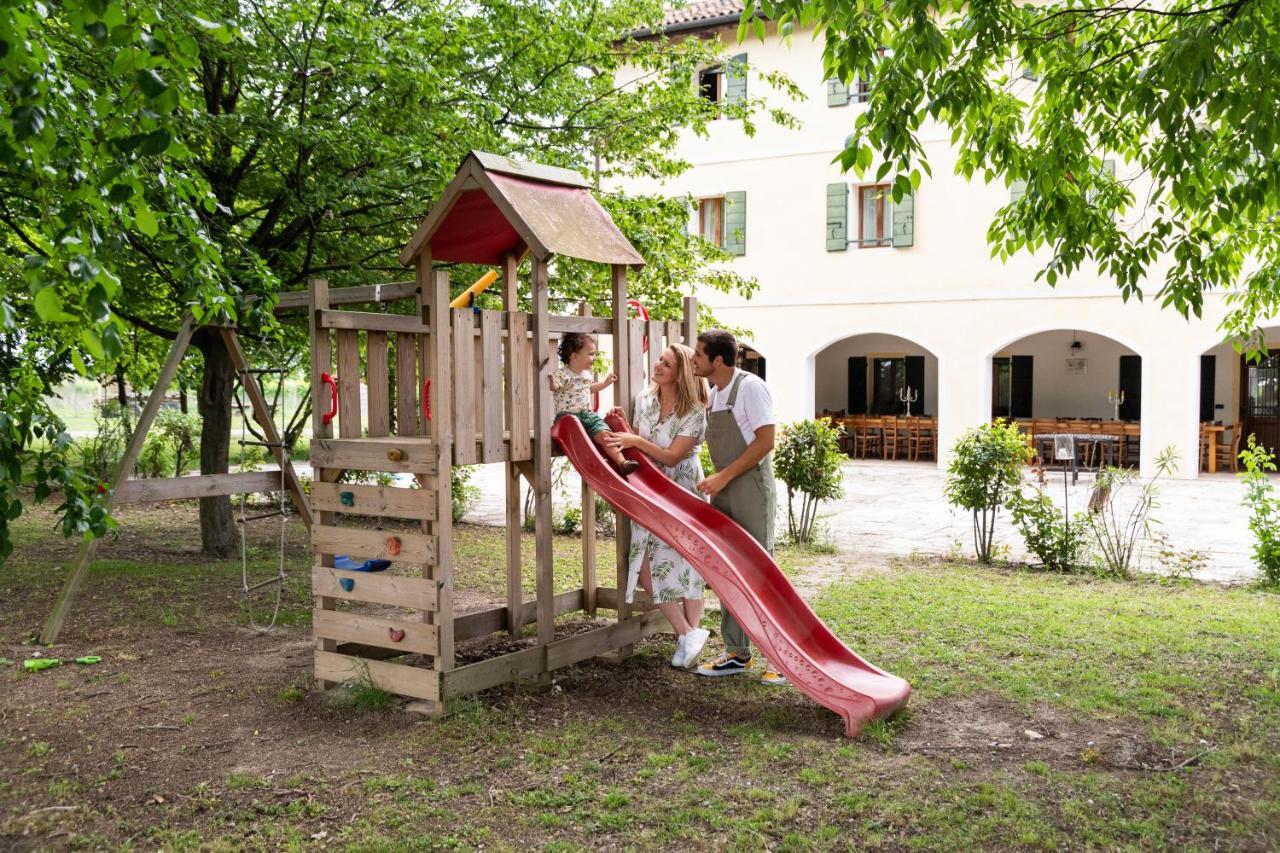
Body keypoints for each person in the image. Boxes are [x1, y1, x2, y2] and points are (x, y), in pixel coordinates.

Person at [689, 329, 787, 686]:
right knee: (730, 569)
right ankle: (737, 653)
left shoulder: (750, 388)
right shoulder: (715, 395)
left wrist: (723, 478)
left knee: (761, 571)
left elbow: (766, 442)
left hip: (748, 486)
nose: (693, 360)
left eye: (699, 354)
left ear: (717, 360)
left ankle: (783, 657)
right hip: (725, 487)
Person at [605, 344, 712, 669]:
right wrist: (627, 429)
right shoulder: (645, 400)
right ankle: (687, 634)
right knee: (647, 568)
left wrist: (636, 441)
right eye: (659, 360)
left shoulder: (694, 409)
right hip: (649, 490)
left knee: (689, 563)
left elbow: (672, 456)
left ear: (681, 373)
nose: (658, 366)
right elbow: (642, 441)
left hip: (682, 489)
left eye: (666, 363)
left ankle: (687, 639)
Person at [551, 332, 637, 476]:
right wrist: (551, 382)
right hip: (567, 419)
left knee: (606, 435)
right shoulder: (562, 374)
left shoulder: (586, 375)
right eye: (590, 354)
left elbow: (589, 389)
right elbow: (555, 386)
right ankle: (595, 458)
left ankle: (622, 463)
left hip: (587, 415)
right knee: (579, 434)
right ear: (574, 356)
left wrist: (605, 383)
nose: (594, 358)